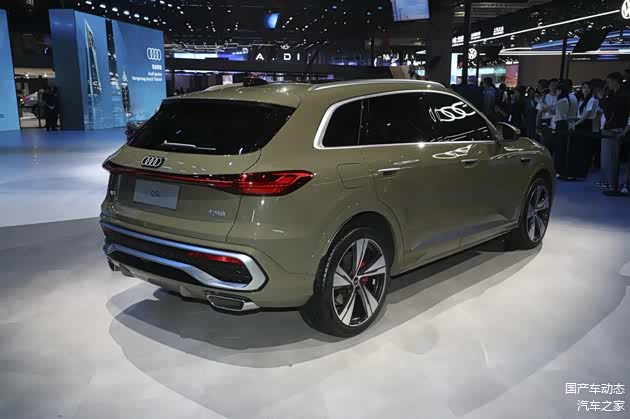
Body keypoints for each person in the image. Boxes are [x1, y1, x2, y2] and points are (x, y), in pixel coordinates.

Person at [598, 72, 630, 196]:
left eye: (609, 82)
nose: (607, 85)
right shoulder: (613, 94)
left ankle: (618, 185)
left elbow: (611, 110)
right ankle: (611, 183)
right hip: (612, 128)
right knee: (609, 159)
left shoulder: (624, 95)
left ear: (615, 81)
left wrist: (602, 99)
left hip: (618, 128)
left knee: (614, 159)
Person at [549, 81, 572, 178]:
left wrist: (539, 101)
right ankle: (558, 170)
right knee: (559, 148)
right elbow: (555, 111)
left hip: (561, 125)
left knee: (560, 148)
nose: (556, 92)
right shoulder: (564, 100)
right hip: (560, 124)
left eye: (557, 90)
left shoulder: (563, 100)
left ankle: (560, 170)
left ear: (561, 91)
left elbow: (550, 107)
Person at [536, 78, 559, 151]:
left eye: (556, 85)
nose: (554, 87)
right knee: (544, 146)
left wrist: (546, 110)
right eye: (552, 85)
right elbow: (539, 113)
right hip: (546, 125)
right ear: (549, 86)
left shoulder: (560, 97)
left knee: (555, 147)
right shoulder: (544, 97)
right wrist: (537, 126)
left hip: (557, 125)